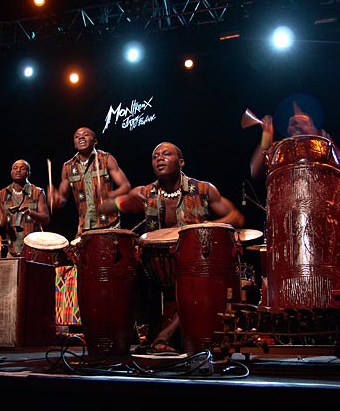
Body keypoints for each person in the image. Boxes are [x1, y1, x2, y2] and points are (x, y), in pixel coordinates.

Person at [99, 141, 245, 354]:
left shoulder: (203, 189)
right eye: (155, 156)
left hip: (195, 261)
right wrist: (128, 197)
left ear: (181, 162)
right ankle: (130, 336)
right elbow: (105, 207)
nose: (159, 158)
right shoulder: (144, 193)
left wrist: (204, 226)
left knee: (198, 280)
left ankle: (164, 335)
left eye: (166, 154)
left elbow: (236, 217)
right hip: (155, 263)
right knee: (124, 273)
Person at [48, 126, 132, 238]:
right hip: (84, 226)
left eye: (85, 135)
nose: (81, 137)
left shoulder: (106, 158)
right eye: (77, 136)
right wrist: (56, 200)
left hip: (109, 223)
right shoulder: (67, 166)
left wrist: (109, 195)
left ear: (95, 141)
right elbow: (63, 198)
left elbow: (126, 186)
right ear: (74, 144)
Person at [250, 110, 340, 180]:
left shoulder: (323, 146)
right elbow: (255, 172)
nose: (297, 125)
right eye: (293, 123)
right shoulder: (280, 148)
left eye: (303, 123)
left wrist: (326, 140)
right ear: (288, 129)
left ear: (313, 128)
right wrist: (267, 135)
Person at [0, 159, 51, 256]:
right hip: (12, 250)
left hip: (33, 250)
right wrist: (1, 220)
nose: (18, 170)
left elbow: (46, 219)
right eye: (15, 168)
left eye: (22, 168)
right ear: (11, 172)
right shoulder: (3, 194)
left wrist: (30, 212)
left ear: (28, 173)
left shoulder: (37, 192)